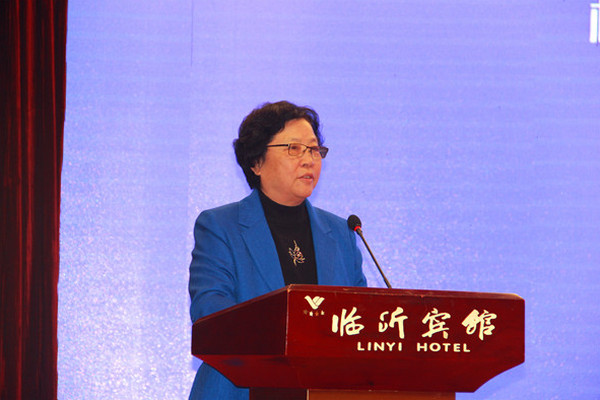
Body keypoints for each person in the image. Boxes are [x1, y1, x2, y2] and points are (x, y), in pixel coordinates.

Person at [188, 101, 367, 400]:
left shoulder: (341, 234)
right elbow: (209, 312)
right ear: (256, 162)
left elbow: (362, 321)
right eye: (294, 148)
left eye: (314, 150)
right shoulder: (220, 226)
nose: (309, 160)